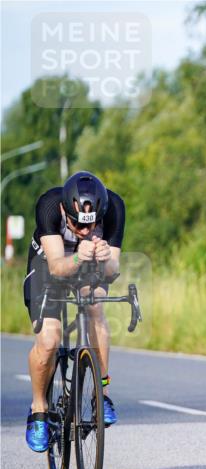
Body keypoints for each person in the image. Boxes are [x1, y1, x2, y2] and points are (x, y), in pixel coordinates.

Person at [23, 171, 125, 452]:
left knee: (95, 303)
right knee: (49, 341)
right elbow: (57, 266)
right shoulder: (49, 205)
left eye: (90, 226)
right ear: (64, 211)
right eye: (76, 224)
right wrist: (81, 254)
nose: (83, 230)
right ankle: (39, 409)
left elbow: (113, 270)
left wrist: (104, 259)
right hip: (47, 267)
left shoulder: (114, 207)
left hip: (87, 265)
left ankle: (101, 394)